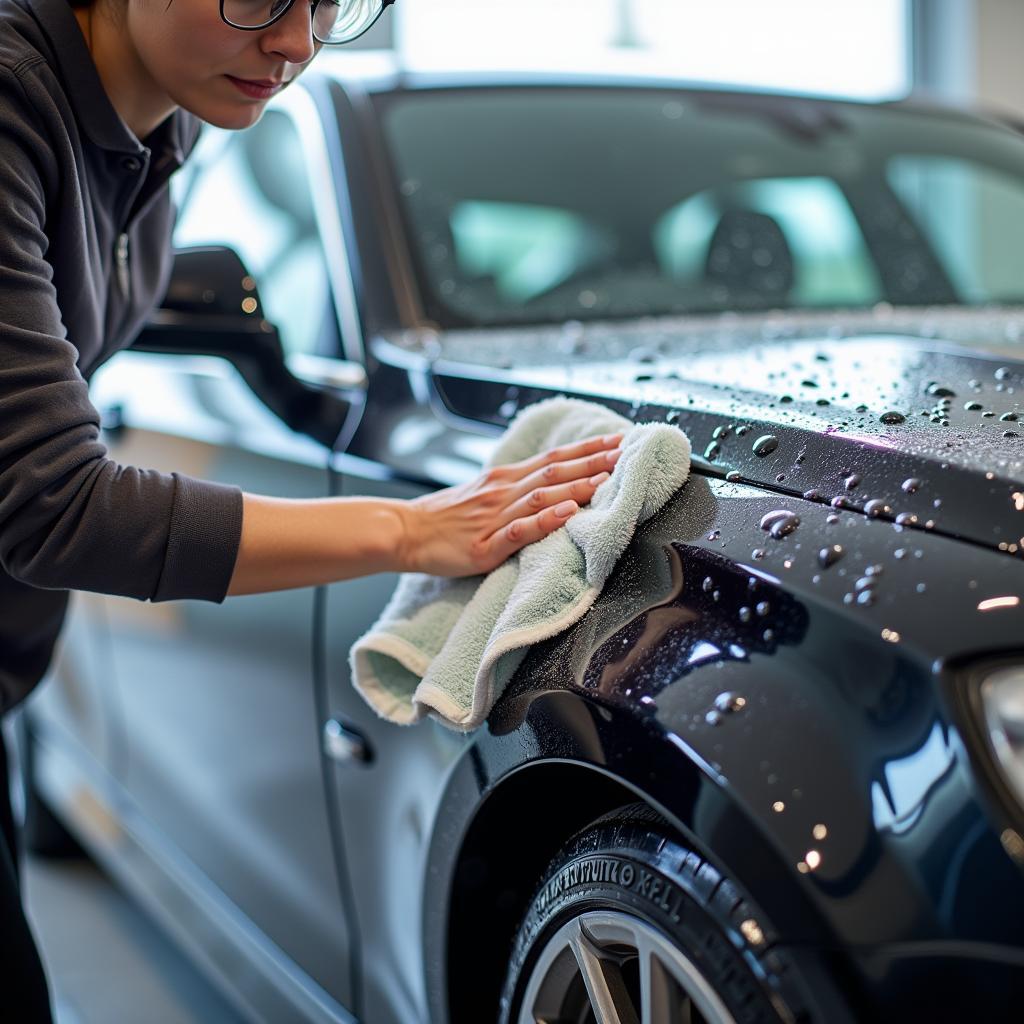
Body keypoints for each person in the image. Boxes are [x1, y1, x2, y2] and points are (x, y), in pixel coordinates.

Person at [0, 0, 623, 1016]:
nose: (294, 42)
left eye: (326, 4)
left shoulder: (170, 118)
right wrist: (413, 528)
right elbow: (53, 501)